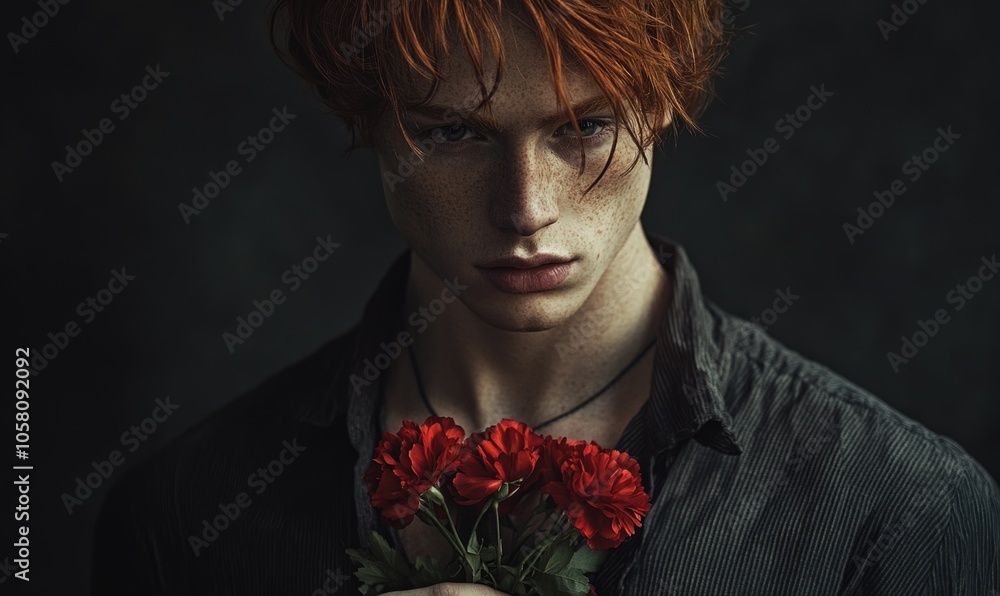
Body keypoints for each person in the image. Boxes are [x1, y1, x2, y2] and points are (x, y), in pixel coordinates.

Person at [91, 0, 1000, 594]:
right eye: (452, 132)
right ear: (368, 123)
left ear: (662, 106)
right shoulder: (185, 514)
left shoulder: (899, 506)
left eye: (583, 126)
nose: (525, 207)